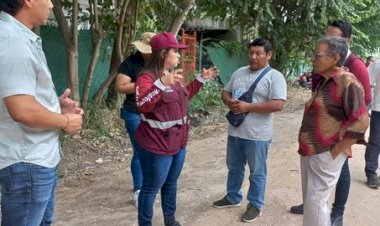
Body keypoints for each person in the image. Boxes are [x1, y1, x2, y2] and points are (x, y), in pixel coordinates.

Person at [0, 1, 84, 226]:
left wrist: (56, 106)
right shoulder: (13, 42)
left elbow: (20, 98)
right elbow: (22, 109)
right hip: (28, 162)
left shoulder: (18, 37)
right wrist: (65, 121)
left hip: (35, 160)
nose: (50, 3)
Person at [290, 20, 372, 226]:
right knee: (312, 202)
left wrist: (338, 150)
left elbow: (362, 120)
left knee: (316, 203)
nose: (313, 59)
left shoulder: (346, 81)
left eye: (318, 55)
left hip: (326, 152)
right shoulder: (325, 79)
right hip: (312, 150)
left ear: (335, 58)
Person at [134, 32, 219, 226]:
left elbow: (183, 96)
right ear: (163, 54)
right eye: (175, 51)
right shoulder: (146, 78)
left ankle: (170, 221)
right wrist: (161, 84)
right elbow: (142, 104)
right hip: (157, 145)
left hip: (178, 143)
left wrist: (201, 80)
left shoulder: (174, 76)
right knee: (150, 189)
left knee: (171, 183)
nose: (179, 55)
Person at [213, 38, 287, 223]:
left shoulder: (275, 76)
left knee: (257, 171)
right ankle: (232, 197)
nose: (253, 57)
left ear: (268, 55)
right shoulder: (239, 72)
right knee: (234, 167)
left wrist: (248, 107)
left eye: (258, 53)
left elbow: (278, 104)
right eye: (251, 53)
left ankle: (255, 205)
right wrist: (229, 101)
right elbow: (225, 92)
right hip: (235, 131)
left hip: (258, 135)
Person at [115, 32, 156, 208]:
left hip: (155, 113)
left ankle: (150, 185)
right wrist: (146, 85)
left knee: (153, 150)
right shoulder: (130, 63)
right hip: (134, 112)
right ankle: (139, 190)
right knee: (140, 150)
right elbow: (120, 87)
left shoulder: (159, 63)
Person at [365, 59, 380, 188]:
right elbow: (367, 84)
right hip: (378, 109)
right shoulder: (378, 64)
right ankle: (371, 173)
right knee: (375, 141)